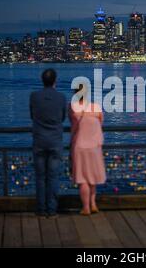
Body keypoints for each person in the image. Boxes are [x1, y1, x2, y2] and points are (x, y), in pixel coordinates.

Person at [30, 69, 66, 218]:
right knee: (53, 177)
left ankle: (41, 209)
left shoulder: (34, 96)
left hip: (39, 140)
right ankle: (52, 211)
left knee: (40, 177)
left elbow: (32, 115)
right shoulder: (61, 97)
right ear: (55, 81)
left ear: (42, 80)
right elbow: (63, 117)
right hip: (55, 141)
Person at [69, 85, 106, 216]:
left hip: (79, 145)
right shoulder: (96, 107)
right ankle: (93, 204)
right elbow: (100, 124)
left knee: (82, 178)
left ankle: (86, 208)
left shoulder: (72, 107)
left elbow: (72, 124)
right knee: (92, 177)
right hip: (95, 146)